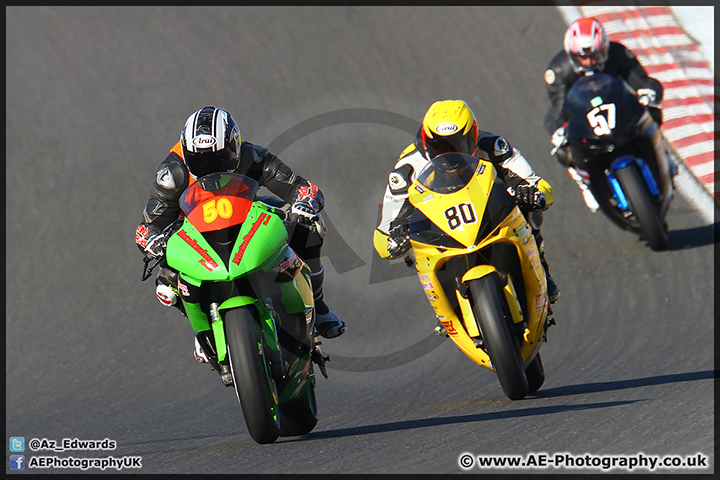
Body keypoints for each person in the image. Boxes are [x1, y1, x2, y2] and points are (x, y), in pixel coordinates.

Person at [135, 106, 346, 363]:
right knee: (166, 286)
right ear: (186, 153)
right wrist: (153, 241)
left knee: (308, 226)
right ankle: (206, 326)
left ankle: (318, 304)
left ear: (234, 145)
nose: (209, 167)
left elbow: (300, 187)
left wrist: (304, 203)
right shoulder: (172, 174)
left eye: (218, 158)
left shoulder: (251, 156)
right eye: (199, 161)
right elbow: (149, 224)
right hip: (194, 234)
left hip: (246, 220)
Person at [373, 99, 559, 303]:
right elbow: (384, 231)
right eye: (440, 146)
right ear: (426, 142)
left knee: (530, 207)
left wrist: (533, 194)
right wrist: (394, 238)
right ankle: (443, 299)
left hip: (489, 213)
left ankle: (540, 264)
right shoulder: (407, 168)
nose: (449, 154)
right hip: (439, 228)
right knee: (410, 244)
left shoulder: (494, 147)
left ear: (473, 136)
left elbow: (540, 186)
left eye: (456, 144)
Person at [543, 16, 665, 212]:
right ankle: (585, 181)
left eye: (595, 55)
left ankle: (662, 154)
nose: (590, 62)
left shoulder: (618, 53)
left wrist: (648, 92)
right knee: (563, 149)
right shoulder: (558, 71)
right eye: (584, 57)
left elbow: (643, 81)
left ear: (605, 49)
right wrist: (558, 129)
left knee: (652, 111)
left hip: (621, 113)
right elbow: (558, 109)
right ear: (572, 55)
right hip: (588, 124)